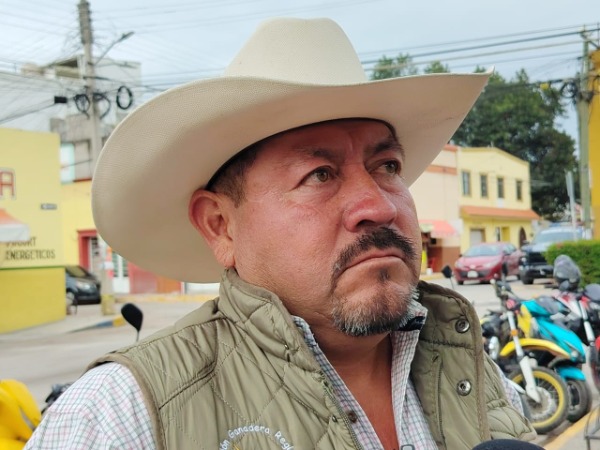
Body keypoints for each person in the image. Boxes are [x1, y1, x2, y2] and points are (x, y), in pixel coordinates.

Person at [26, 17, 535, 450]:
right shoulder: (120, 416)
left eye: (387, 165)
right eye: (319, 174)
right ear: (220, 226)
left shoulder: (474, 373)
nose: (378, 206)